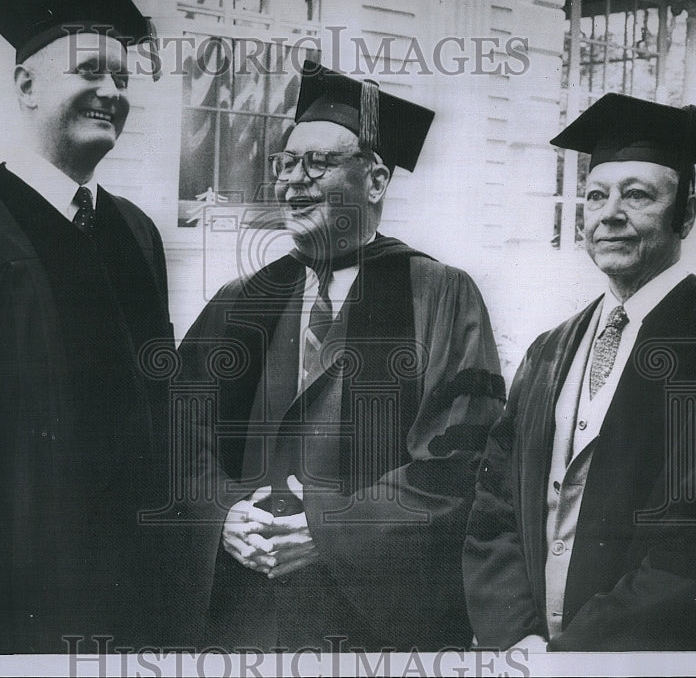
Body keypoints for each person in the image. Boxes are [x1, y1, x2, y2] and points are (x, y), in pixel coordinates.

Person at [174, 61, 505, 652]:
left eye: (318, 163)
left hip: (373, 620)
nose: (293, 182)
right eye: (285, 164)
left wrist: (331, 531)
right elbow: (181, 427)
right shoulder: (243, 298)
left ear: (375, 180)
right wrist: (221, 514)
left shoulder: (440, 292)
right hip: (249, 617)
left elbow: (461, 457)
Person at [463, 93, 696, 651]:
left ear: (686, 216)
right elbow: (493, 507)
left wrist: (573, 657)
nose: (609, 213)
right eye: (596, 196)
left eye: (638, 195)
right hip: (525, 652)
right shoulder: (550, 349)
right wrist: (514, 637)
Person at [0, 0, 173, 654]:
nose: (111, 94)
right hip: (20, 580)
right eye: (90, 71)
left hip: (135, 577)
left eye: (122, 79)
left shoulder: (137, 232)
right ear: (26, 86)